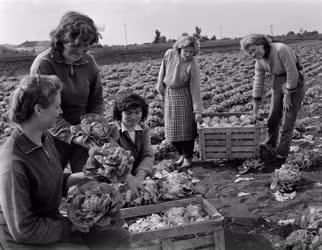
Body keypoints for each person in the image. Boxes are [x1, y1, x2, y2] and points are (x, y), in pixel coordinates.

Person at [0, 75, 130, 250]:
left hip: (52, 225)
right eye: (57, 106)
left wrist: (94, 173)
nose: (60, 112)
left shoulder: (44, 139)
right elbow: (24, 229)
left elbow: (55, 180)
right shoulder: (13, 163)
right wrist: (71, 226)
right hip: (24, 240)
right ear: (39, 110)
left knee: (119, 236)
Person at [30, 11, 104, 173]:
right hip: (51, 135)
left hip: (84, 137)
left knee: (87, 182)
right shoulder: (44, 64)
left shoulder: (89, 62)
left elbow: (96, 99)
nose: (81, 51)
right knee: (52, 184)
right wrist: (72, 137)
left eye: (86, 45)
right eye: (76, 45)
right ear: (62, 39)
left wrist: (94, 125)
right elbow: (44, 109)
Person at [240, 34, 305, 165]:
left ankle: (281, 154)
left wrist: (288, 95)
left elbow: (292, 72)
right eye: (249, 52)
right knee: (273, 117)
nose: (252, 54)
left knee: (288, 119)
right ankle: (270, 146)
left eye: (253, 50)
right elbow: (258, 84)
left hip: (294, 81)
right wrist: (255, 109)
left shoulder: (281, 49)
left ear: (261, 44)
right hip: (277, 80)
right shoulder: (260, 62)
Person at [156, 35, 203, 169]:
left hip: (184, 96)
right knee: (172, 131)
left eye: (191, 52)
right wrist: (160, 88)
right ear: (179, 48)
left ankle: (188, 157)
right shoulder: (169, 54)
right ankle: (181, 154)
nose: (188, 54)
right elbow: (162, 72)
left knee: (186, 129)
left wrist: (197, 110)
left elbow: (195, 89)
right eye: (186, 51)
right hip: (170, 94)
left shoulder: (192, 65)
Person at [112, 89, 154, 196]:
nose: (133, 117)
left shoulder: (144, 129)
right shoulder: (112, 132)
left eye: (137, 112)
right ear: (120, 113)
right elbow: (113, 163)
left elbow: (148, 155)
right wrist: (129, 179)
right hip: (117, 178)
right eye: (128, 113)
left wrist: (140, 175)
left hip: (139, 175)